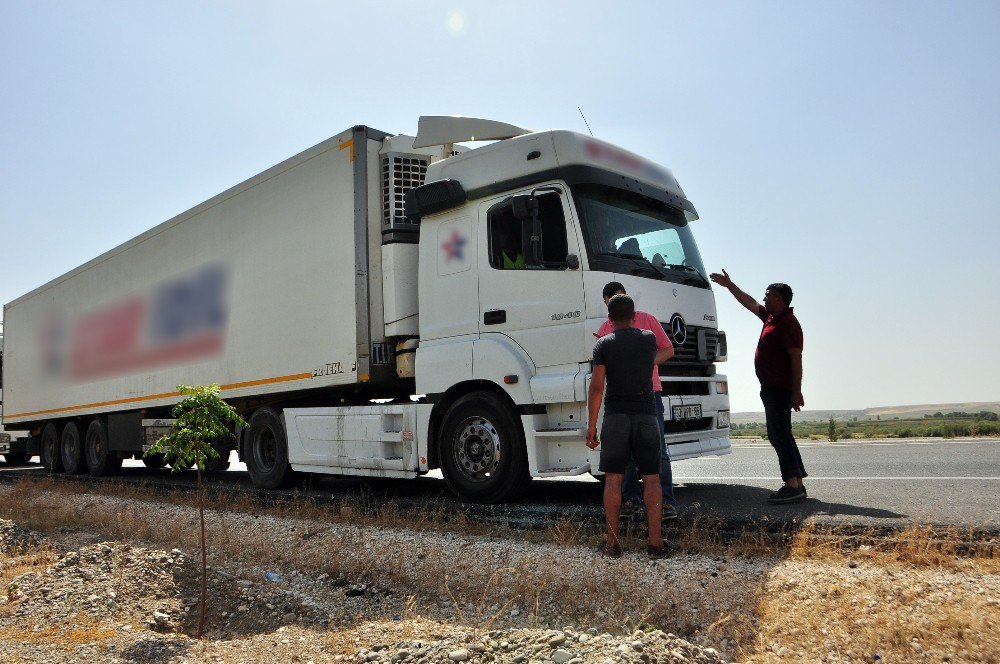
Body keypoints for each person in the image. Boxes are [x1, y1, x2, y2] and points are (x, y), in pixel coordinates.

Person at [709, 269, 808, 503]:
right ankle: (798, 481)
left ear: (779, 299)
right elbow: (750, 302)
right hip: (771, 388)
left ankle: (791, 484)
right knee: (782, 434)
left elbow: (796, 359)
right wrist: (730, 285)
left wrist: (796, 391)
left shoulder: (789, 324)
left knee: (778, 435)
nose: (764, 299)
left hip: (780, 389)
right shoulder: (772, 318)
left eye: (768, 295)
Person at [587, 294, 675, 557]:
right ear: (634, 315)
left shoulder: (603, 344)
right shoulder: (648, 338)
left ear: (610, 318)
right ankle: (655, 544)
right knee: (651, 478)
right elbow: (660, 353)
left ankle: (613, 544)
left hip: (616, 416)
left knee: (613, 479)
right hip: (646, 414)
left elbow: (596, 387)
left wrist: (591, 425)